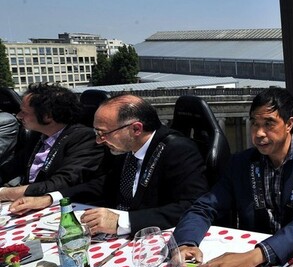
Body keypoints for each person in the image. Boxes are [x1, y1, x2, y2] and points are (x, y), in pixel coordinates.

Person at [173, 87, 293, 267]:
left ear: (289, 124)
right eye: (254, 124)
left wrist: (253, 257)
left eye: (269, 124)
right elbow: (204, 207)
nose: (259, 133)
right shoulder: (240, 163)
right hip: (254, 264)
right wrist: (186, 243)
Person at [10, 94, 208, 236]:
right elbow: (104, 184)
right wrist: (51, 198)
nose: (98, 140)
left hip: (158, 240)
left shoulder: (179, 150)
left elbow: (192, 206)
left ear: (136, 129)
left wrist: (123, 222)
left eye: (103, 133)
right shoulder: (125, 147)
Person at [0, 83, 104, 201]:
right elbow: (8, 169)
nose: (18, 116)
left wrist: (6, 193)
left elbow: (61, 183)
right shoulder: (38, 135)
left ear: (47, 116)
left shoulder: (85, 139)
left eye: (24, 112)